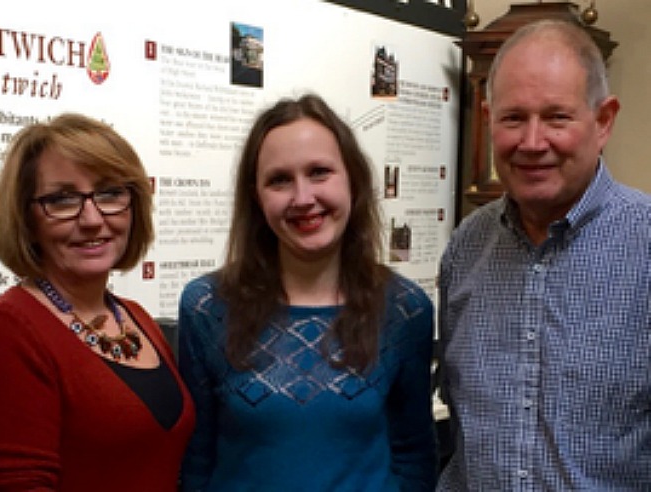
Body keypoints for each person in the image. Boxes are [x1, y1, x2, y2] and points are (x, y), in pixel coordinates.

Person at [178, 94, 437, 491]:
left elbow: (414, 457)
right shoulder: (208, 307)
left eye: (319, 172)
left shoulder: (403, 310)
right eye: (279, 179)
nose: (302, 198)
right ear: (256, 195)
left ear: (352, 177)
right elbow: (196, 461)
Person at [438, 19, 650, 490]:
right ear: (490, 120)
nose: (532, 143)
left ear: (604, 121)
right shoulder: (465, 249)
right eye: (514, 118)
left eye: (557, 117)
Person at [0, 113, 195, 490]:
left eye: (110, 192)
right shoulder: (8, 333)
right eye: (62, 199)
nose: (92, 218)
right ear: (26, 219)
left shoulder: (136, 318)